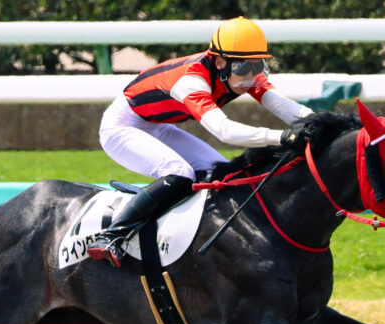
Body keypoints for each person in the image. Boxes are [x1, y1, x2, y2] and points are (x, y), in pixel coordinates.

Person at [89, 16, 316, 267]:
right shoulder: (191, 81)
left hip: (157, 124)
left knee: (223, 173)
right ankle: (111, 236)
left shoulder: (240, 73)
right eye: (243, 68)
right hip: (121, 127)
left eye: (258, 66)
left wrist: (321, 121)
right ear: (219, 62)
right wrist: (282, 137)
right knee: (180, 173)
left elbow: (284, 107)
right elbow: (224, 131)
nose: (251, 76)